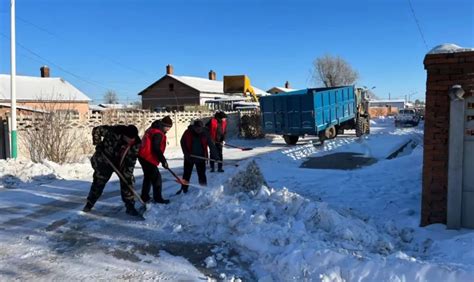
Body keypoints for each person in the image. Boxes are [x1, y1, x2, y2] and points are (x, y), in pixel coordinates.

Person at [83, 125, 141, 216]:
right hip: (105, 161)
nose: (131, 141)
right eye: (129, 138)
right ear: (124, 135)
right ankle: (89, 204)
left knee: (127, 182)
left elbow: (131, 162)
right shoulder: (113, 131)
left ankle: (130, 206)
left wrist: (128, 174)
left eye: (132, 139)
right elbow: (96, 130)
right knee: (98, 183)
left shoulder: (136, 144)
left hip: (122, 164)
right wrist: (98, 144)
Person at [138, 116, 173, 204]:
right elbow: (156, 148)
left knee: (148, 177)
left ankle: (144, 196)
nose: (169, 129)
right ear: (164, 125)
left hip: (142, 156)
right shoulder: (158, 133)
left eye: (170, 127)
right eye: (168, 127)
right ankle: (158, 198)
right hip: (147, 157)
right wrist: (163, 161)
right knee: (157, 178)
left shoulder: (152, 129)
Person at [179, 120, 218, 193]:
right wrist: (186, 153)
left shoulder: (205, 133)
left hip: (201, 157)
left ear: (202, 128)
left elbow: (211, 145)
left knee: (201, 174)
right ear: (193, 127)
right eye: (196, 128)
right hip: (189, 157)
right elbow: (182, 142)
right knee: (186, 174)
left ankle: (204, 189)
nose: (198, 130)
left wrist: (216, 156)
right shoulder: (187, 132)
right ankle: (184, 189)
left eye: (200, 128)